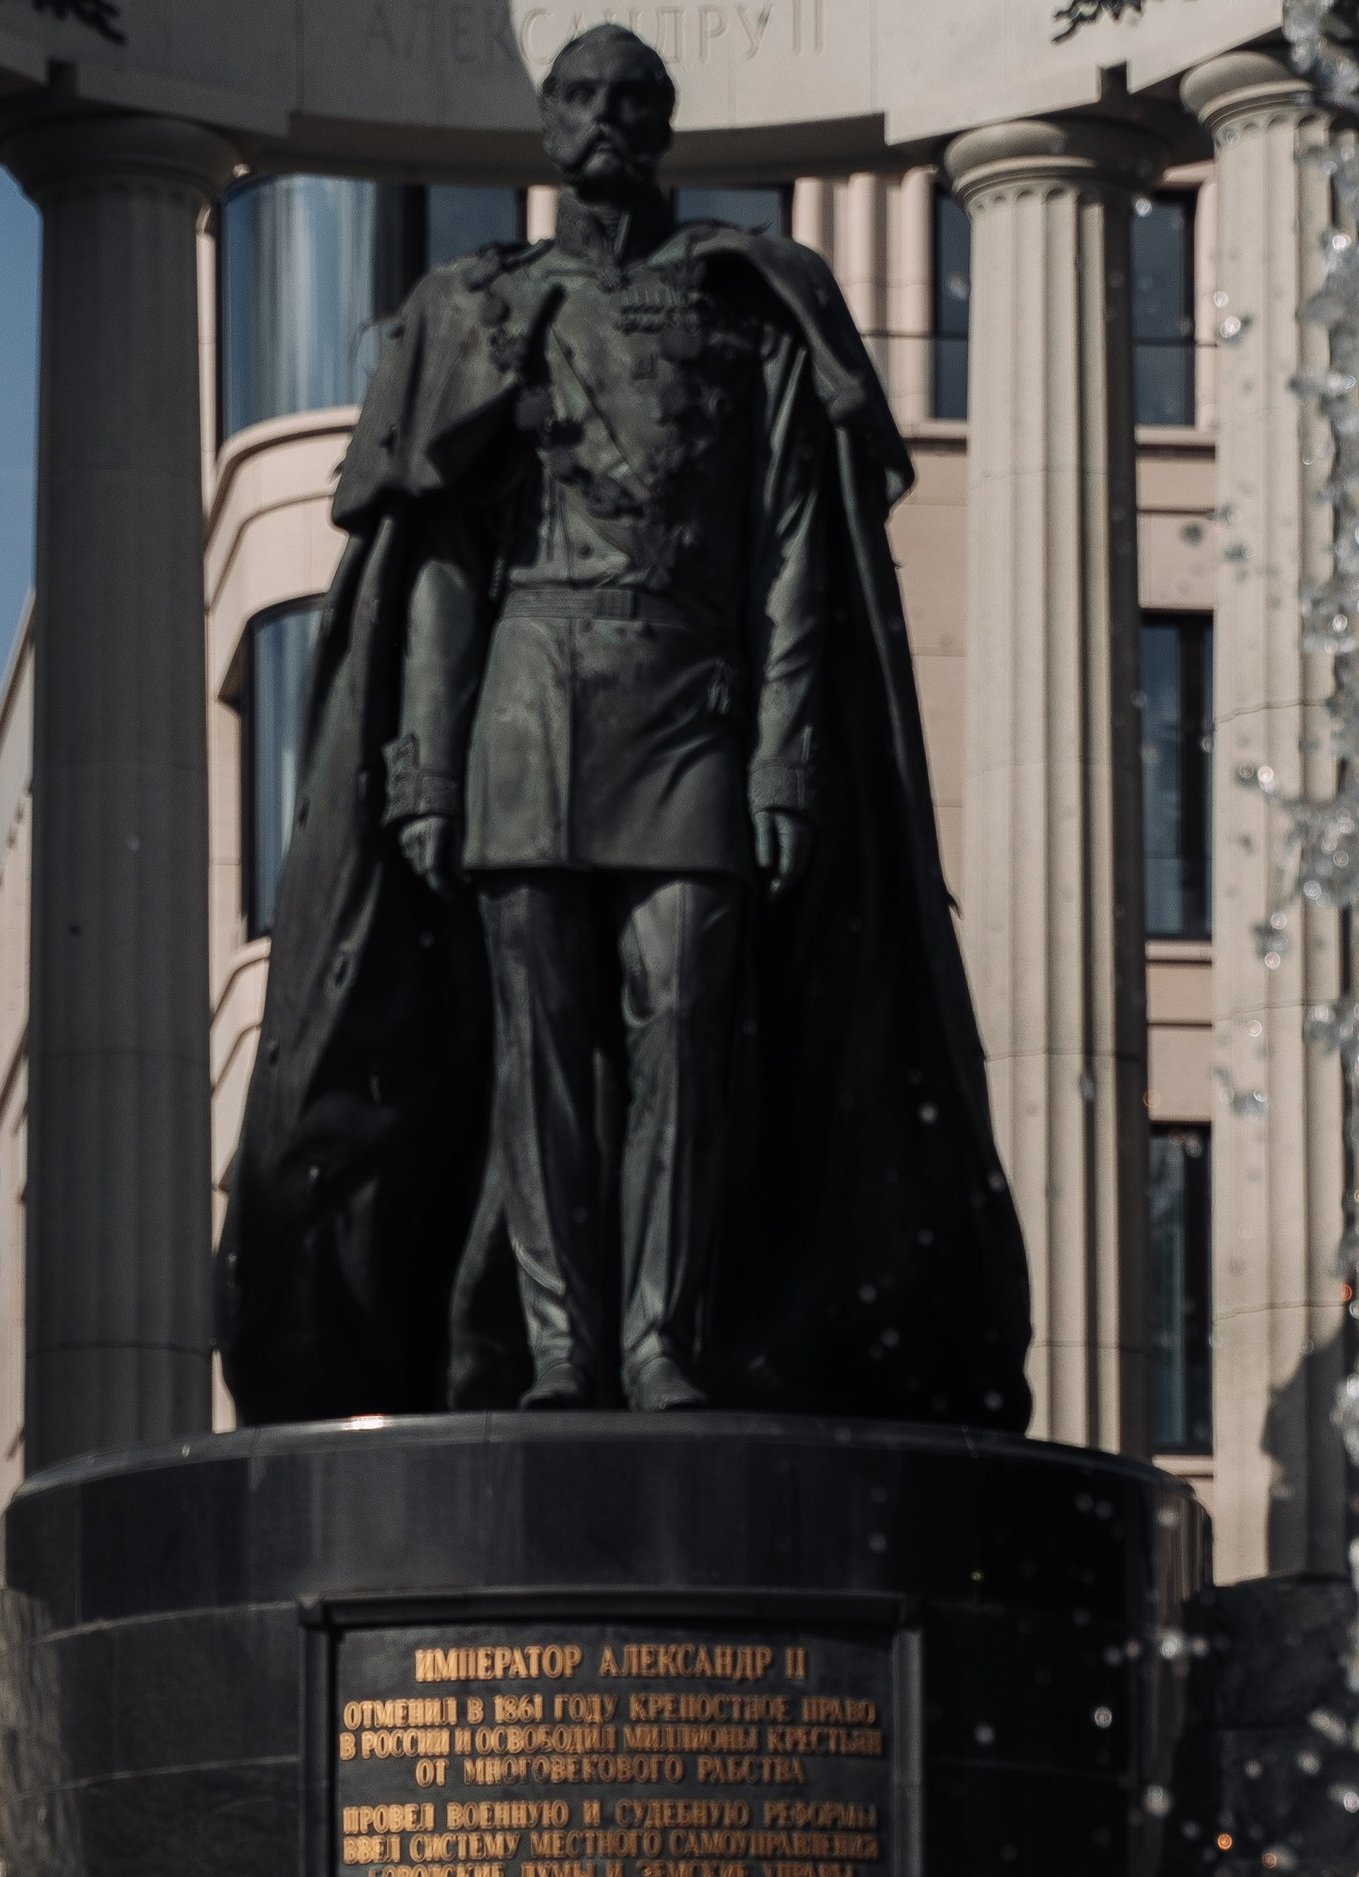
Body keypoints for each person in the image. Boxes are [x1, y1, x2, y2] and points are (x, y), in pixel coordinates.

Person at [213, 27, 1029, 1432]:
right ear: (546, 124)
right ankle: (562, 1350)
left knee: (690, 1024)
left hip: (690, 707)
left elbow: (791, 552)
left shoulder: (750, 310)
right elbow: (447, 560)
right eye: (582, 99)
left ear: (663, 124)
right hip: (525, 706)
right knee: (542, 1047)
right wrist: (423, 755)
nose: (607, 123)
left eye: (632, 102)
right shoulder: (482, 311)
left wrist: (782, 751)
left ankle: (662, 1343)